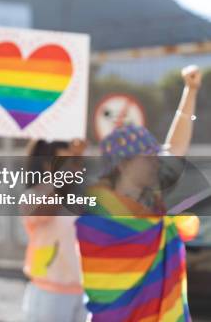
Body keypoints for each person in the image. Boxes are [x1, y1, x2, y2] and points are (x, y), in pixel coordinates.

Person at [75, 65, 202, 321]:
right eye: (147, 157)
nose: (156, 162)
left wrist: (190, 90)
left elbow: (175, 148)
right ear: (122, 164)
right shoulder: (94, 209)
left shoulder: (153, 196)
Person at [20, 139, 90, 322]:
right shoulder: (32, 197)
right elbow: (47, 210)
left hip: (83, 290)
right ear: (46, 165)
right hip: (48, 291)